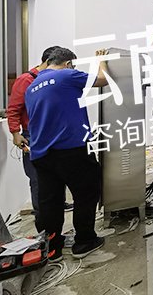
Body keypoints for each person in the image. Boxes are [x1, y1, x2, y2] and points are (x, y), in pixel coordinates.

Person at [25, 47, 110, 261]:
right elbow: (102, 80)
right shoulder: (66, 75)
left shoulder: (32, 86)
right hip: (71, 150)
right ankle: (84, 241)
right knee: (86, 193)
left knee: (50, 202)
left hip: (41, 155)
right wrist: (102, 60)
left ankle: (52, 248)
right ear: (68, 63)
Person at [6, 46, 73, 222]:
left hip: (55, 134)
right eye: (64, 65)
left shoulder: (54, 79)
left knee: (57, 175)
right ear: (49, 62)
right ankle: (43, 222)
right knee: (38, 180)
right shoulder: (25, 80)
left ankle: (57, 207)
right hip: (33, 136)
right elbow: (13, 109)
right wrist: (15, 133)